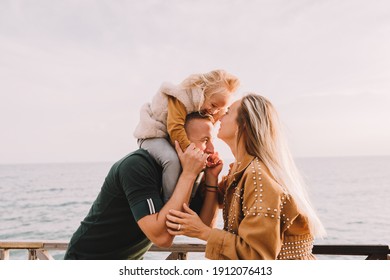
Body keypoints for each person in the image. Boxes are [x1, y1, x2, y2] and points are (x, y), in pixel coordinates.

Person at [166, 93, 326, 260]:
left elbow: (258, 257)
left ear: (243, 125)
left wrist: (204, 232)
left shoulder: (258, 176)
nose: (219, 115)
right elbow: (215, 205)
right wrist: (212, 178)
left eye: (227, 112)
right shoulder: (241, 170)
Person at [64, 113, 221, 259]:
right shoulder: (137, 166)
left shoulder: (185, 174)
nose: (212, 149)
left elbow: (204, 226)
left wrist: (211, 179)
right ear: (178, 139)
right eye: (205, 141)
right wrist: (188, 175)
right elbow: (162, 237)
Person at [134, 69, 239, 202]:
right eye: (213, 105)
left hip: (169, 137)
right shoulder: (181, 97)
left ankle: (188, 199)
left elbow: (213, 122)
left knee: (200, 162)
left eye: (218, 108)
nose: (213, 111)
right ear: (203, 91)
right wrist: (193, 152)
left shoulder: (209, 104)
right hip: (153, 134)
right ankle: (169, 201)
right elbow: (175, 128)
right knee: (172, 160)